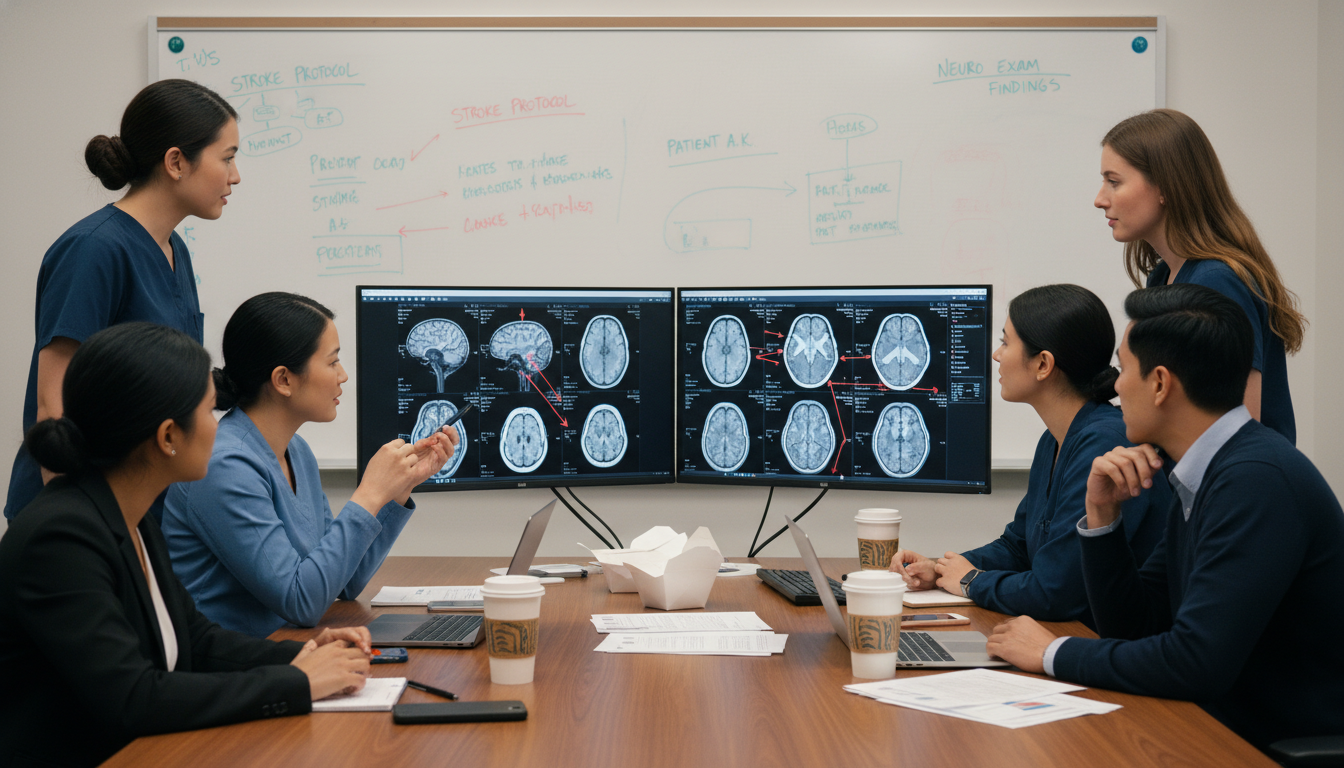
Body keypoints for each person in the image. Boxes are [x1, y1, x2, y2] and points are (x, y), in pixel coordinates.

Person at [987, 284, 1344, 750]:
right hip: (1213, 724)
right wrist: (1102, 517)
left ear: (1159, 383)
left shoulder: (1255, 480)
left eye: (1125, 368)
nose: (1114, 385)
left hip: (1265, 743)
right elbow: (1137, 625)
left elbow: (1195, 662)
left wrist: (1051, 652)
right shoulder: (1207, 468)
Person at [0, 323, 373, 767]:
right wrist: (297, 684)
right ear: (168, 437)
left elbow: (196, 641)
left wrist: (304, 653)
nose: (220, 430)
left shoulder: (129, 516)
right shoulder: (60, 539)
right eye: (210, 412)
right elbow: (133, 697)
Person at [5, 79, 241, 519]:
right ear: (176, 162)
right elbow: (53, 406)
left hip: (138, 508)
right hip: (79, 513)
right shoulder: (93, 249)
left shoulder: (174, 250)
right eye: (226, 158)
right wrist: (77, 527)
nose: (235, 175)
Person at [162, 293, 458, 638]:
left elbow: (343, 582)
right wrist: (370, 492)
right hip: (233, 671)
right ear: (284, 380)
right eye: (332, 362)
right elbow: (301, 601)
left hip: (287, 647)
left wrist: (398, 489)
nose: (343, 375)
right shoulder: (224, 465)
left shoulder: (296, 450)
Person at [891, 285, 1169, 628]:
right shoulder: (1054, 439)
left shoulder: (1104, 444)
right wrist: (945, 569)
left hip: (1098, 643)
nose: (996, 354)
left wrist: (971, 581)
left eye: (1006, 342)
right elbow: (1018, 546)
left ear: (1043, 364)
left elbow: (1054, 591)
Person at [1095, 108, 1305, 444]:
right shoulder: (1163, 277)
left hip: (1237, 488)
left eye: (1114, 181)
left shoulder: (1218, 282)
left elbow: (1237, 433)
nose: (1099, 199)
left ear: (1165, 187)